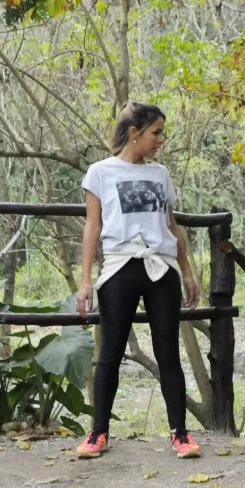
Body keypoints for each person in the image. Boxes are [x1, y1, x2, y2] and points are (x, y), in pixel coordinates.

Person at [75, 102, 201, 459]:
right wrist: (85, 281)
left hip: (161, 270)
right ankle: (98, 433)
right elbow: (92, 226)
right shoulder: (100, 172)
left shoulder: (161, 174)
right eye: (156, 132)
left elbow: (171, 226)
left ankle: (180, 434)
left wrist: (187, 272)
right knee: (109, 354)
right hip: (119, 268)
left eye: (161, 132)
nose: (161, 139)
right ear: (134, 133)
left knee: (168, 354)